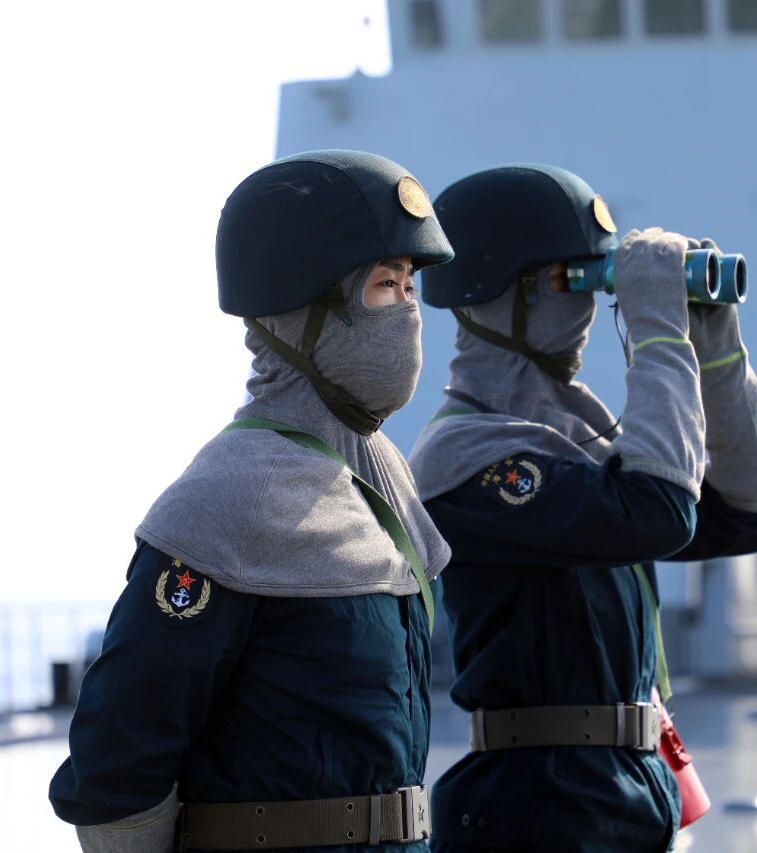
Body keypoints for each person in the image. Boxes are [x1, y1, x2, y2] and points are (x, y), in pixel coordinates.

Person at [49, 150, 455, 852]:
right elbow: (117, 759)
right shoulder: (226, 499)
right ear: (307, 312)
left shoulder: (383, 474)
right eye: (385, 286)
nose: (409, 314)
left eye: (411, 286)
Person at [407, 165, 757, 852]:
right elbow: (656, 512)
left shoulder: (578, 443)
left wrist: (716, 345)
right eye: (565, 282)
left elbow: (750, 512)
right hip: (539, 804)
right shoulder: (463, 458)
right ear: (502, 292)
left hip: (624, 790)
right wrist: (657, 333)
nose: (584, 305)